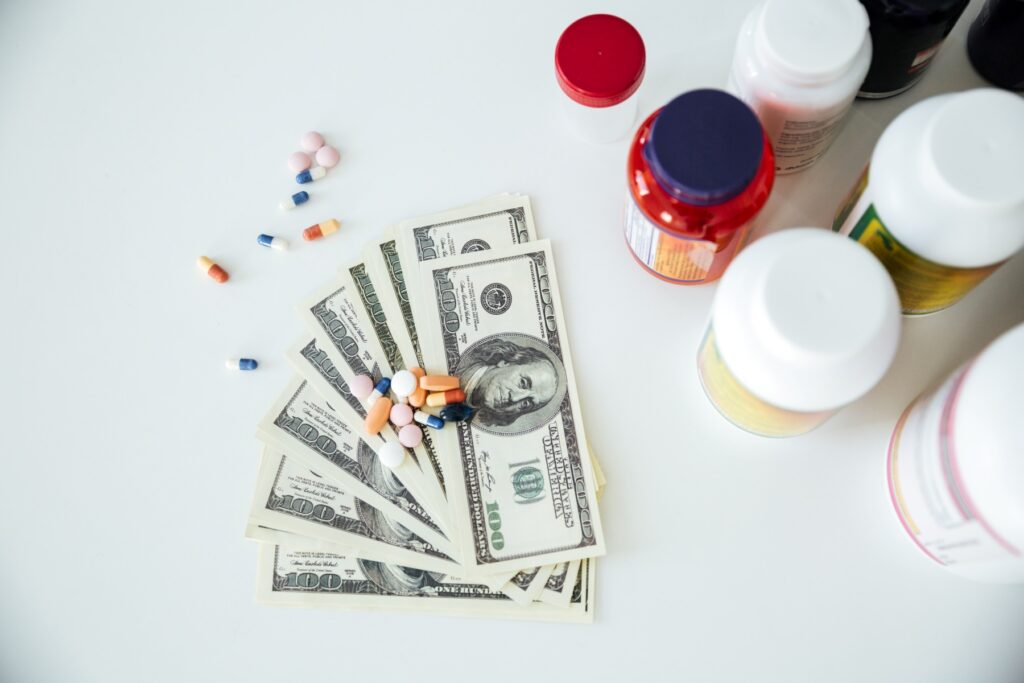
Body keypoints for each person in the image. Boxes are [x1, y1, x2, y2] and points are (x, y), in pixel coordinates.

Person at [460, 337, 560, 429]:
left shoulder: (467, 420)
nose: (515, 398)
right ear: (505, 362)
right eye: (522, 383)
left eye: (526, 403)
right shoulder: (458, 363)